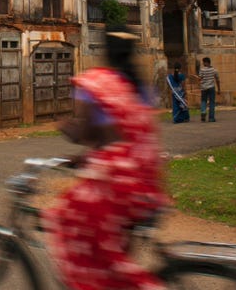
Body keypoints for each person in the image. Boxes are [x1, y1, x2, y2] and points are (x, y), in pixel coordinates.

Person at [43, 28, 167, 290]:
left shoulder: (97, 84)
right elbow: (121, 137)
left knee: (63, 220)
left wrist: (61, 124)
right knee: (116, 255)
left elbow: (85, 133)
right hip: (148, 182)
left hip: (117, 185)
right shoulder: (140, 87)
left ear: (105, 51)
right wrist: (86, 159)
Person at [199, 57, 219, 122]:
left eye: (203, 62)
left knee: (203, 101)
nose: (203, 63)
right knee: (212, 102)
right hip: (211, 88)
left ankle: (203, 112)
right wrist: (219, 89)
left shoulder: (202, 70)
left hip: (203, 88)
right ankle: (211, 118)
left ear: (206, 62)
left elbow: (200, 78)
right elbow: (217, 80)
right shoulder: (214, 70)